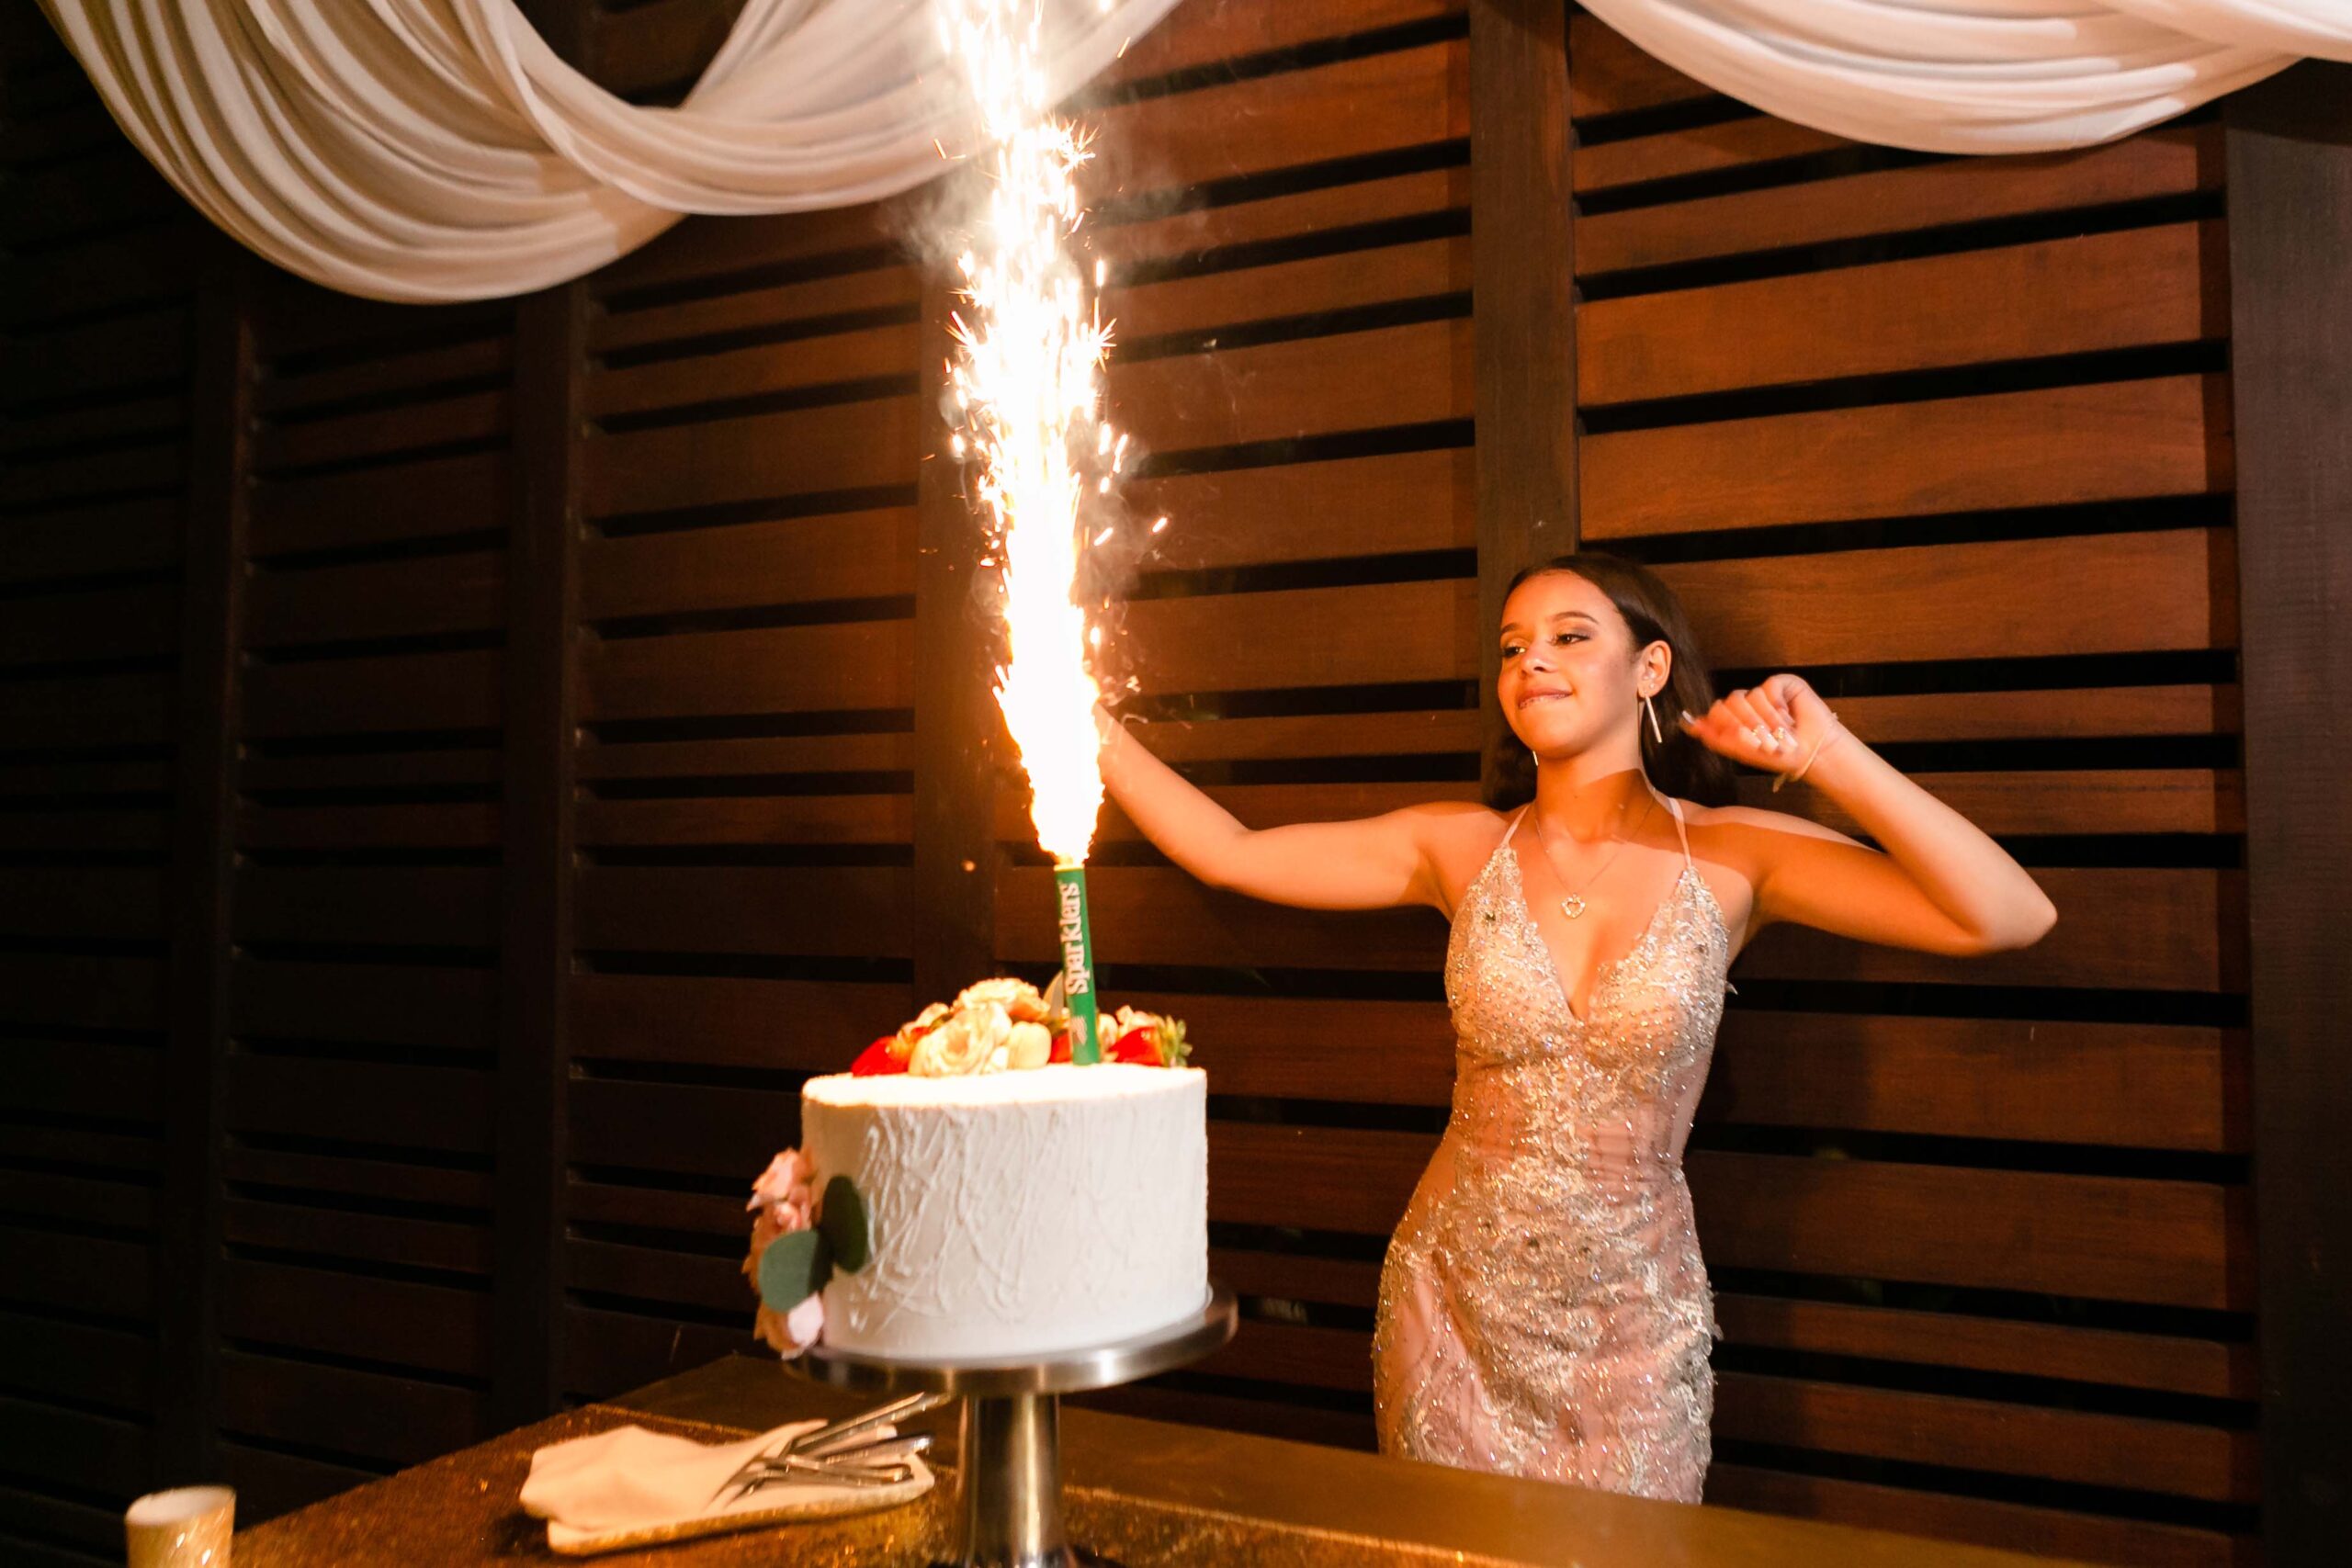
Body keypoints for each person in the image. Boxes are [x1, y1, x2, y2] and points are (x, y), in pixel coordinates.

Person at [1093, 550, 2057, 1503]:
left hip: (1634, 1330)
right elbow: (1228, 853)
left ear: (1650, 669)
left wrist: (1823, 754)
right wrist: (1076, 719)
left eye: (1568, 636)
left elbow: (2006, 916)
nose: (1531, 663)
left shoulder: (1737, 857)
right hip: (1453, 1307)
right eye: (1512, 648)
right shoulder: (1459, 848)